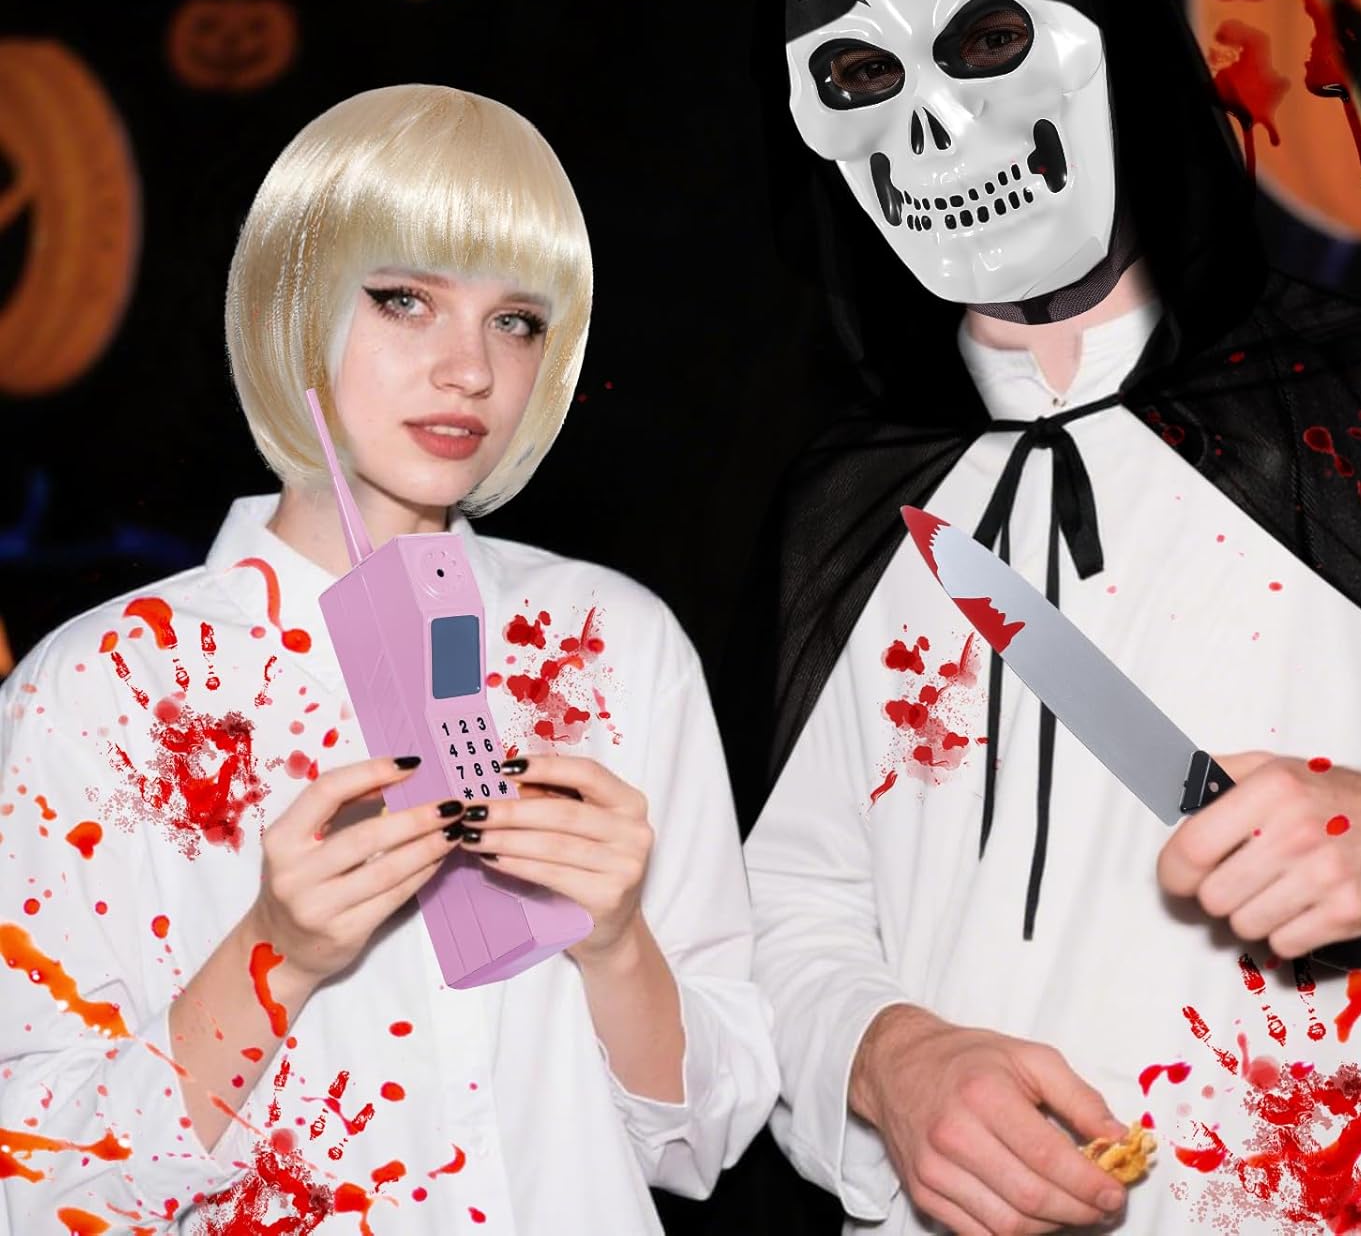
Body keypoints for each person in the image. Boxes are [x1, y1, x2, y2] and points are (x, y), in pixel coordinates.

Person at [742, 0, 1361, 1235]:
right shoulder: (852, 508)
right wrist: (884, 1061)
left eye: (986, 43)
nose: (931, 127)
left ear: (1115, 51)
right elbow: (788, 911)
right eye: (858, 77)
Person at [0, 85, 778, 1234]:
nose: (470, 370)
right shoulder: (107, 687)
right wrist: (273, 958)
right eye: (406, 300)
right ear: (293, 304)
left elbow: (705, 1139)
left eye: (518, 321)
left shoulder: (612, 643)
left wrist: (616, 946)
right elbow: (35, 1181)